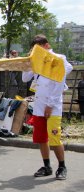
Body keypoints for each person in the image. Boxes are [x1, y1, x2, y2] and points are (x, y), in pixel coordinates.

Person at [22, 34, 73, 180]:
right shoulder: (37, 61)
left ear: (46, 45)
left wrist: (50, 105)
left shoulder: (58, 58)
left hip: (53, 106)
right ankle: (47, 166)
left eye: (38, 49)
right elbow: (25, 78)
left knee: (55, 138)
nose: (36, 52)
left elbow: (58, 84)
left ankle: (62, 166)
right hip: (39, 105)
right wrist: (28, 63)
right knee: (41, 138)